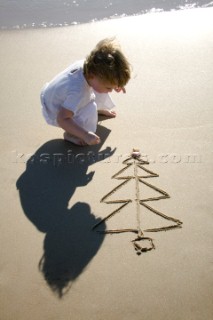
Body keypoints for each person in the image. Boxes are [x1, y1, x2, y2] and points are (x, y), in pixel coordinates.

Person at [40, 38, 131, 146]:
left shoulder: (88, 66)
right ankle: (71, 134)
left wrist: (115, 84)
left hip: (52, 95)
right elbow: (62, 118)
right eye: (109, 87)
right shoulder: (78, 92)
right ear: (92, 75)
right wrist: (85, 134)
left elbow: (101, 81)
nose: (111, 91)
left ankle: (98, 108)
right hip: (54, 110)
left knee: (99, 89)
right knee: (90, 108)